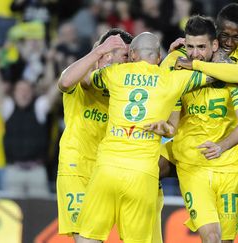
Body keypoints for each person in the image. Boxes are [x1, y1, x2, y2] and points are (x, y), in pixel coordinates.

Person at [75, 31, 238, 243]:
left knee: (87, 237)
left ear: (132, 55)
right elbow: (226, 74)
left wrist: (98, 51)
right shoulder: (172, 79)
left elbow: (84, 81)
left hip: (107, 167)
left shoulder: (115, 73)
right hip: (142, 173)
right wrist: (190, 59)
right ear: (158, 59)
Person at [172, 3, 238, 242]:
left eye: (237, 37)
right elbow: (165, 74)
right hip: (197, 140)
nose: (231, 42)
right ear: (215, 34)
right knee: (153, 164)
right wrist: (176, 55)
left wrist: (195, 64)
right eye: (225, 36)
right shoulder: (196, 50)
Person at [161, 15, 238, 243]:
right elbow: (168, 113)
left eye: (201, 47)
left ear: (214, 45)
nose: (195, 54)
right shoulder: (180, 72)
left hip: (230, 167)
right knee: (211, 237)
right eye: (190, 47)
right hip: (193, 166)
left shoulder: (231, 74)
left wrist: (221, 147)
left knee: (225, 240)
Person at [56, 29, 132, 241]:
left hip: (107, 172)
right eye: (109, 53)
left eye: (124, 56)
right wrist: (99, 51)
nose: (111, 58)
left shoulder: (124, 89)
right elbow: (64, 82)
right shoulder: (81, 79)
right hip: (76, 168)